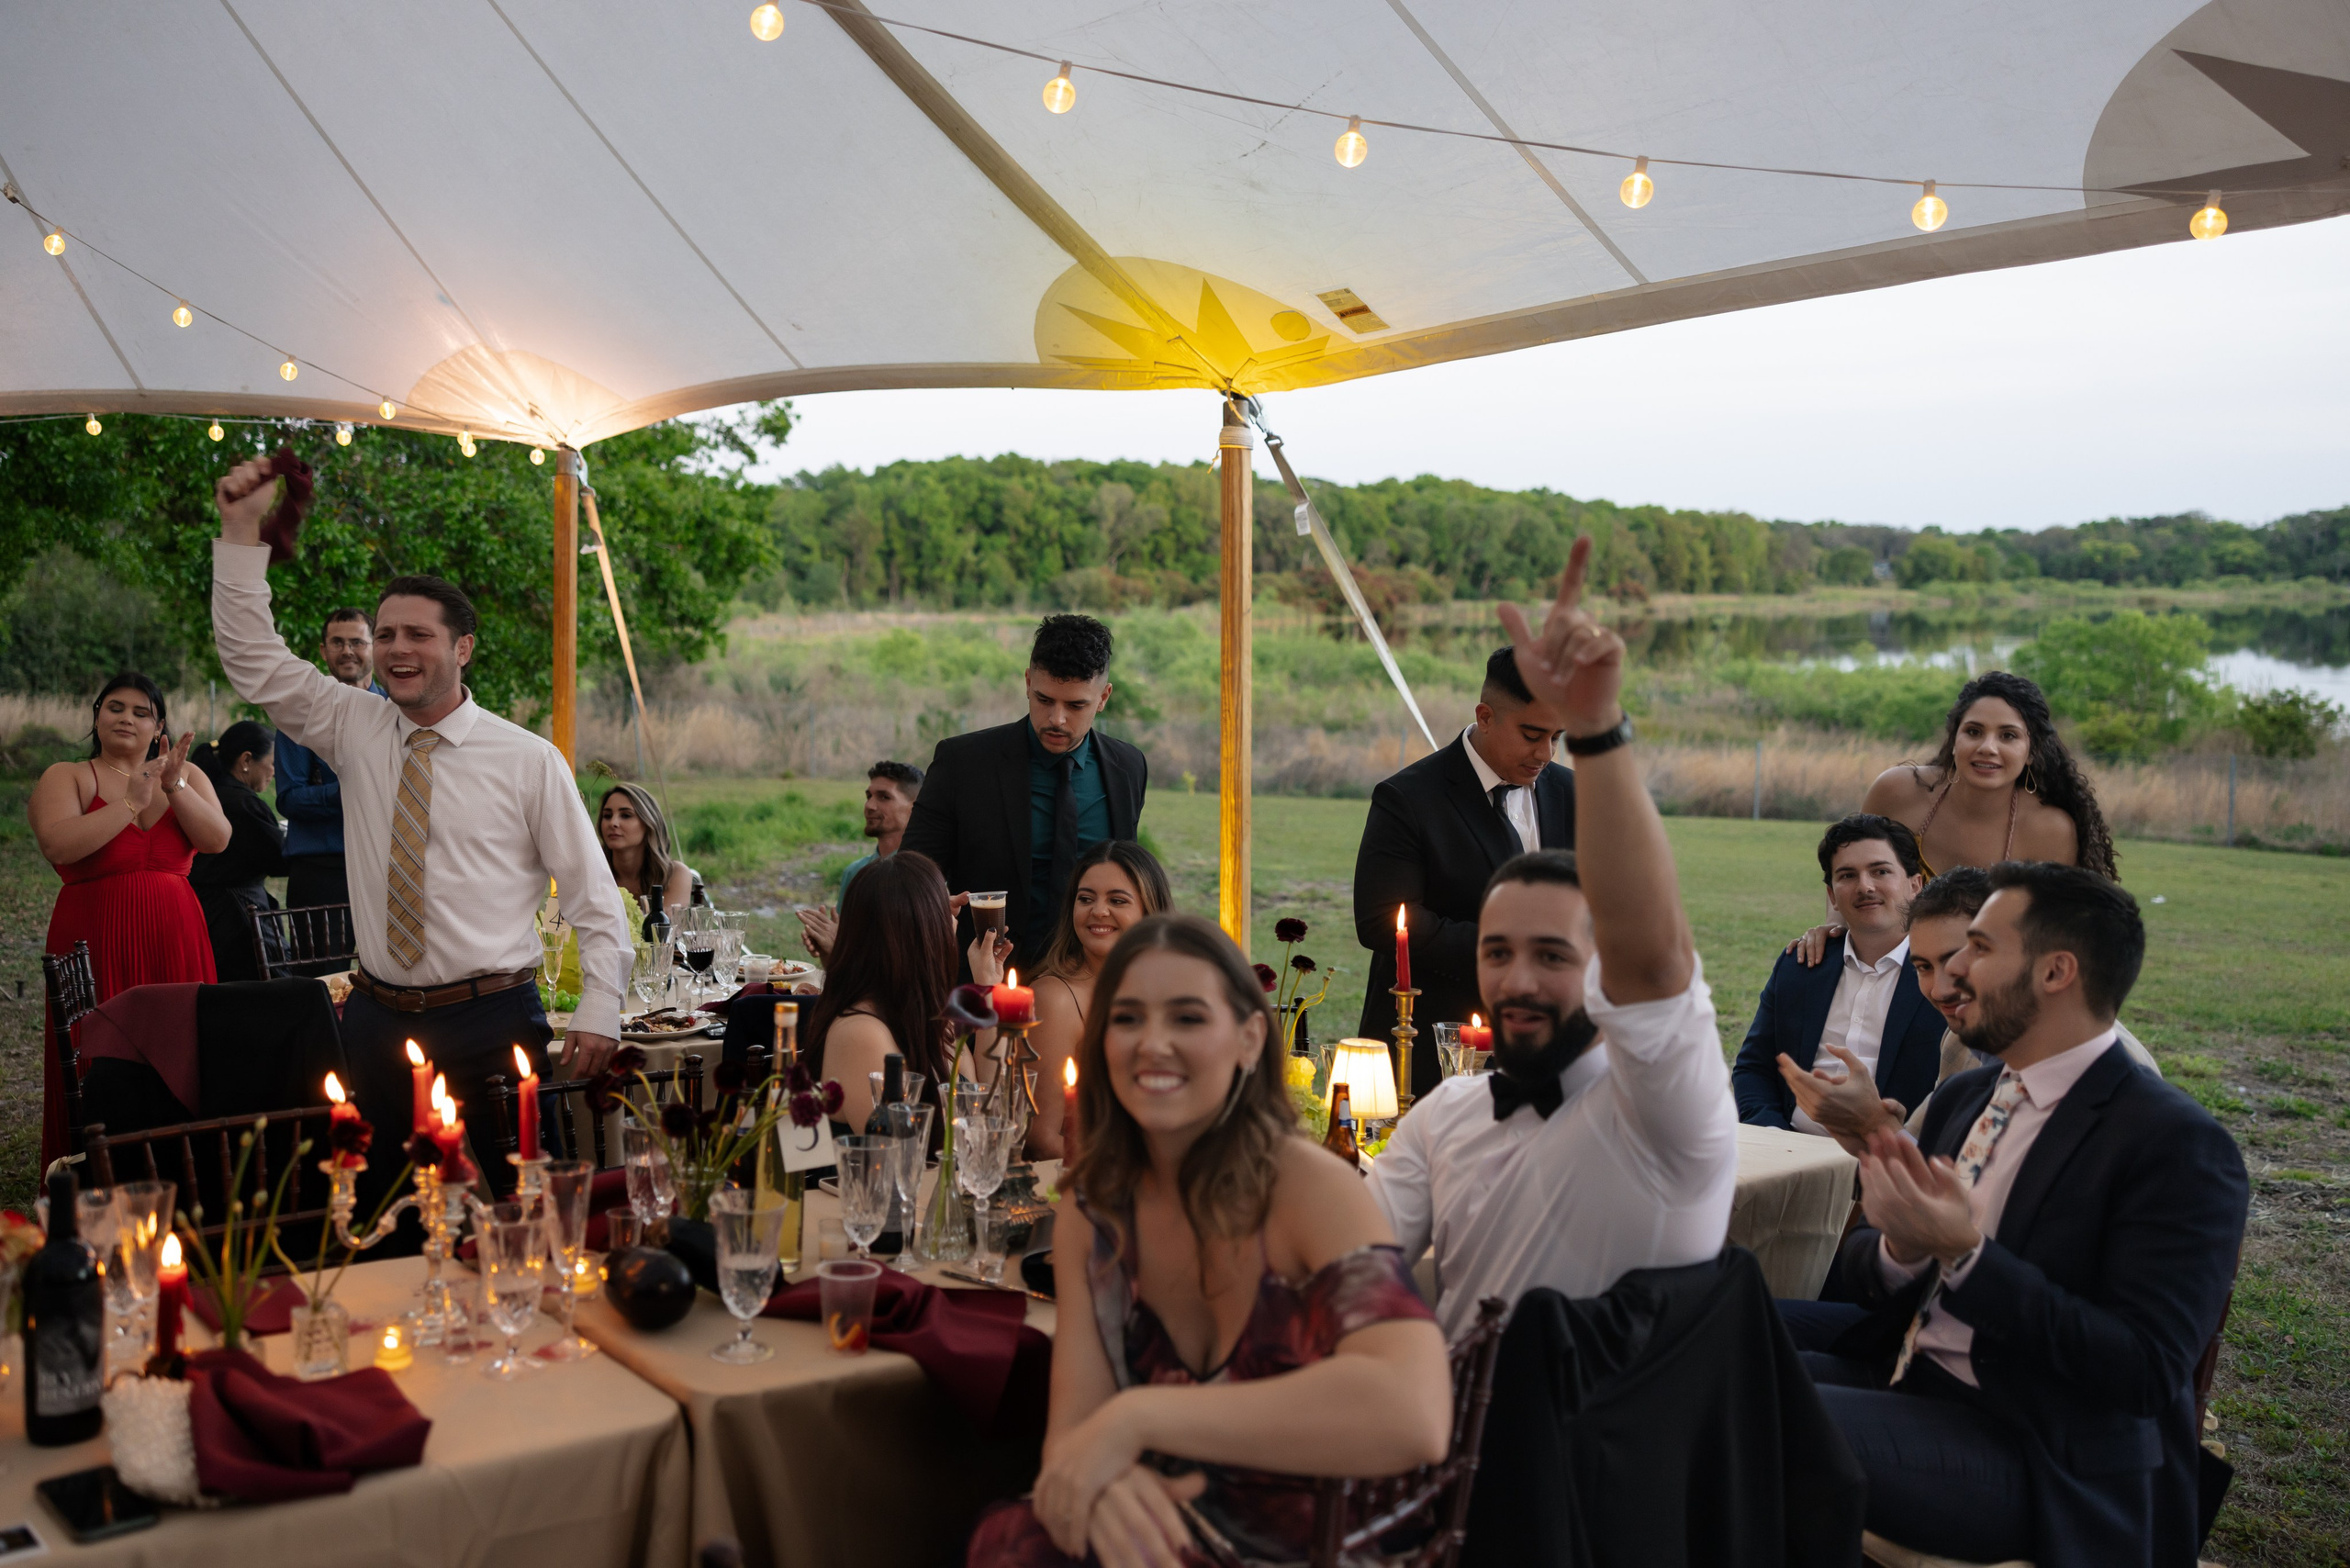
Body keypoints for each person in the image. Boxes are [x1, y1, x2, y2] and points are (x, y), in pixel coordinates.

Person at [968, 914, 1452, 1568]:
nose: (1152, 1044)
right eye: (1127, 1018)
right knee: (1008, 1542)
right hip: (1166, 1532)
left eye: (1188, 1018)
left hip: (1319, 1545)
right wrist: (1104, 1491)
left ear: (1250, 1039)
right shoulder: (1093, 1210)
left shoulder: (1306, 1186)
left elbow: (1415, 1414)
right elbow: (1072, 1440)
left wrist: (1138, 1419)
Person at [1800, 863, 2246, 1565]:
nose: (1951, 975)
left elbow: (2144, 1371)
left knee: (1747, 1417)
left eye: (1978, 949)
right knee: (1707, 1363)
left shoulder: (2175, 1143)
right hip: (1910, 1381)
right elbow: (1866, 1272)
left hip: (2040, 1453)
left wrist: (1966, 1256)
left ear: (2056, 971)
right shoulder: (1966, 1097)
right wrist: (1902, 1249)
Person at [210, 457, 631, 1189]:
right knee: (380, 1213)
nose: (397, 649)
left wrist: (601, 1005)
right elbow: (253, 660)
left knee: (516, 1207)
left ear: (462, 648)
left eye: (418, 635)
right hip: (376, 1023)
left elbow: (592, 893)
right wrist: (243, 531)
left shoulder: (528, 759)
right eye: (385, 635)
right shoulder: (352, 724)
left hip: (492, 1021)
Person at [1366, 540, 1738, 1340]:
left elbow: (1649, 951)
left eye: (1553, 955)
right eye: (1499, 954)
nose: (1519, 980)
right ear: (1484, 717)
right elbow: (1346, 1269)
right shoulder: (1445, 1117)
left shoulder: (1665, 1111)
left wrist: (1600, 730)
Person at [1351, 645, 1576, 1099]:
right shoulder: (1408, 798)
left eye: (1557, 737)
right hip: (1433, 1050)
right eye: (1532, 734)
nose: (1545, 753)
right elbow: (1380, 919)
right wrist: (1509, 956)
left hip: (1552, 1050)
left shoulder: (1572, 792)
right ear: (1485, 716)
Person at [29, 673, 231, 1166]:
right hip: (95, 938)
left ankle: (183, 1165)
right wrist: (130, 803)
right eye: (115, 707)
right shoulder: (68, 775)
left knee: (181, 1049)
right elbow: (59, 844)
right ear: (97, 716)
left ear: (159, 726)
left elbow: (217, 840)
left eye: (142, 713)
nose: (126, 719)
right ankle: (97, 1169)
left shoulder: (188, 775)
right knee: (98, 1056)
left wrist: (173, 785)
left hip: (175, 937)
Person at [1787, 669, 2119, 968]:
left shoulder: (2051, 830)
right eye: (1974, 731)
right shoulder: (1898, 791)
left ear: (2031, 751)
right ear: (1955, 738)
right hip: (1889, 970)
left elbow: (2051, 934)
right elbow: (1848, 867)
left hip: (1987, 986)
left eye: (2008, 735)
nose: (1988, 747)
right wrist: (1833, 926)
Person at [902, 614, 1147, 971]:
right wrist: (932, 903)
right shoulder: (962, 762)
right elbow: (910, 872)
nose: (1056, 719)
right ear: (1028, 682)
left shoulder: (1128, 766)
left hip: (1089, 978)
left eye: (1075, 705)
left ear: (1103, 697)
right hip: (983, 975)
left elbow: (1127, 879)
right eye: (1044, 699)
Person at [1731, 814, 1944, 1137]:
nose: (1865, 887)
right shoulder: (1801, 965)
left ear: (1915, 885)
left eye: (1880, 871)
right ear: (1832, 895)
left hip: (1891, 1152)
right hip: (1791, 1144)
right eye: (1848, 875)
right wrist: (1774, 1135)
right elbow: (1754, 1068)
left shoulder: (1943, 977)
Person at [801, 850, 1006, 1134]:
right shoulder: (861, 1033)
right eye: (943, 913)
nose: (954, 923)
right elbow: (899, 1152)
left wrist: (987, 987)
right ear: (924, 931)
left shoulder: (928, 1014)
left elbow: (990, 1107)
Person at [1027, 840, 1172, 1159]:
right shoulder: (1055, 999)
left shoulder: (1170, 989)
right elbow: (1042, 1140)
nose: (1098, 911)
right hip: (1087, 1178)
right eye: (1085, 899)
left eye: (1117, 900)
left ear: (1150, 911)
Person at [276, 607, 383, 912]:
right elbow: (289, 799)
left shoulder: (398, 712)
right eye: (337, 643)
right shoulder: (300, 715)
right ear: (324, 651)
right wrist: (353, 788)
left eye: (357, 642)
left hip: (388, 866)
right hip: (322, 869)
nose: (347, 651)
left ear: (376, 647)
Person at [188, 720, 289, 983]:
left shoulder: (209, 795)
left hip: (206, 914)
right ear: (246, 760)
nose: (275, 771)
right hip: (238, 920)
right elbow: (281, 859)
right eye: (272, 762)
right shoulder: (242, 804)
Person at [797, 759, 923, 964]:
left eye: (884, 797)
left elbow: (917, 965)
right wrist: (829, 948)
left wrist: (845, 947)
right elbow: (840, 971)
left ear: (914, 808)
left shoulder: (926, 876)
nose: (869, 806)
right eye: (868, 796)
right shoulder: (855, 872)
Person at [597, 783, 692, 936]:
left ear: (649, 823)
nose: (613, 823)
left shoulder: (675, 874)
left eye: (626, 815)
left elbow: (661, 935)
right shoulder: (593, 872)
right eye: (607, 815)